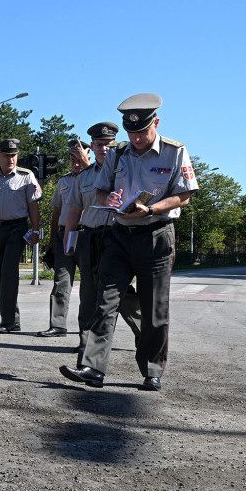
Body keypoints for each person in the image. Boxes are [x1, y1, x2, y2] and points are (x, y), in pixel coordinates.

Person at [63, 94, 198, 391]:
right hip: (119, 236)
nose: (136, 138)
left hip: (156, 237)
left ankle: (152, 371)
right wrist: (107, 197)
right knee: (104, 301)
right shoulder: (118, 153)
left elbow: (184, 195)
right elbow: (99, 190)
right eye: (131, 132)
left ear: (156, 123)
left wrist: (150, 209)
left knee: (153, 309)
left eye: (142, 132)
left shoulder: (175, 152)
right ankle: (93, 368)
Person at [61, 123, 143, 367]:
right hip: (90, 238)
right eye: (99, 145)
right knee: (89, 295)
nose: (105, 149)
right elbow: (74, 209)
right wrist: (69, 239)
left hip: (118, 237)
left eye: (109, 144)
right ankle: (86, 353)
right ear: (92, 147)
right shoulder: (84, 177)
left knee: (119, 294)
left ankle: (145, 336)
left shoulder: (128, 168)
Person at [0, 138, 42, 333]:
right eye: (7, 155)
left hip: (17, 229)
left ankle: (7, 322)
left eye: (14, 155)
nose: (11, 159)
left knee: (9, 273)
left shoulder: (26, 176)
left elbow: (33, 205)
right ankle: (11, 319)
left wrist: (35, 230)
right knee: (0, 275)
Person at [36, 138, 88, 338]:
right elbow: (57, 211)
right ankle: (57, 325)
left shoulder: (96, 177)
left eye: (79, 158)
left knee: (90, 285)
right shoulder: (64, 181)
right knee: (61, 281)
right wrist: (51, 240)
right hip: (64, 234)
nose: (76, 163)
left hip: (86, 234)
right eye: (72, 159)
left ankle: (88, 331)